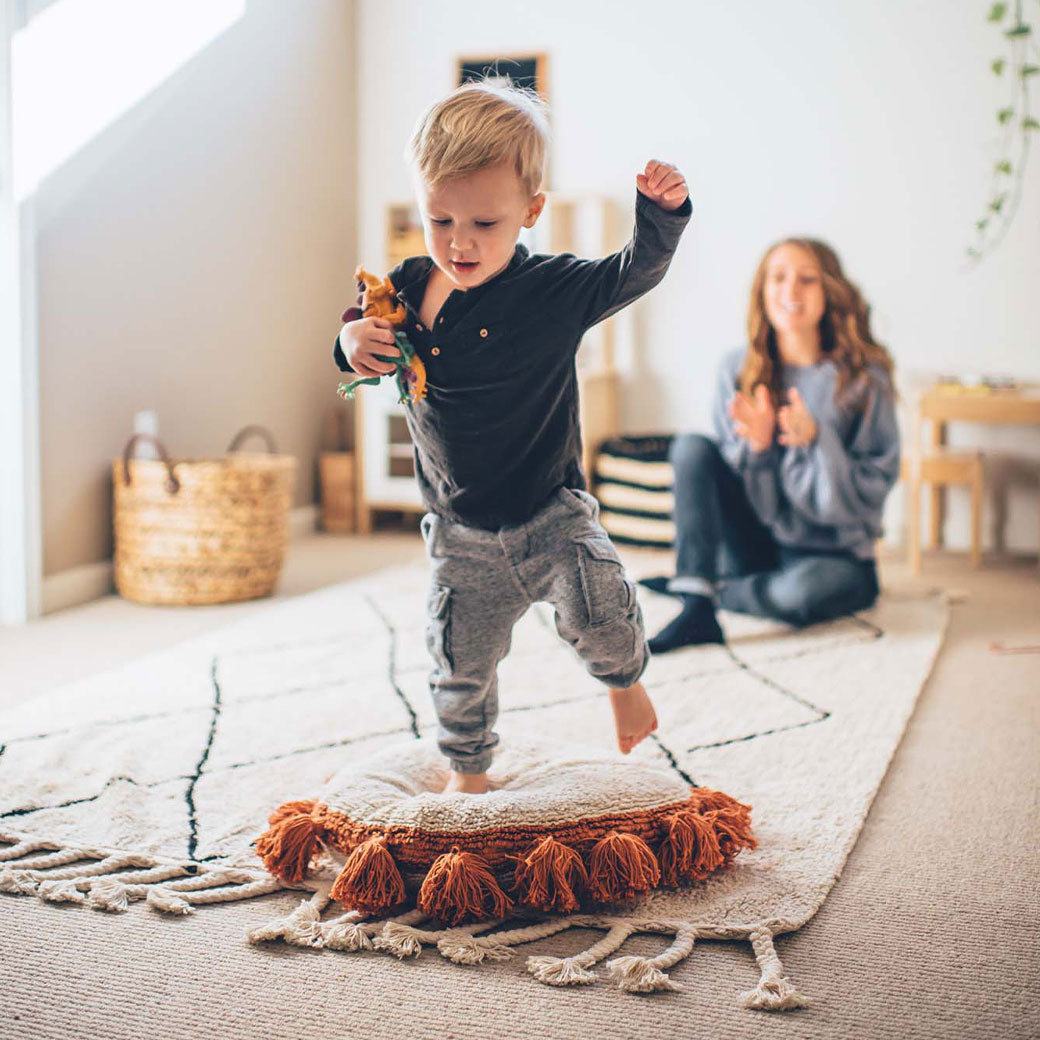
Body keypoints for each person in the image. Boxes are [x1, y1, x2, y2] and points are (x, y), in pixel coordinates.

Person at [334, 81, 692, 792]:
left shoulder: (553, 290)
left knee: (600, 611)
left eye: (485, 224)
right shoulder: (407, 287)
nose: (459, 243)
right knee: (457, 661)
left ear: (531, 211)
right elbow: (360, 333)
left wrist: (662, 215)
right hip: (461, 529)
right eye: (439, 219)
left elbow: (635, 271)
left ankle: (625, 686)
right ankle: (468, 773)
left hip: (550, 511)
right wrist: (350, 343)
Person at [644, 238, 899, 653]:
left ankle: (709, 590)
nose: (790, 291)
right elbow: (737, 491)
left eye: (807, 280)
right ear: (762, 292)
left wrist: (818, 441)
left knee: (798, 596)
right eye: (778, 279)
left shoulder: (865, 378)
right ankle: (696, 604)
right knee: (691, 446)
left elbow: (872, 489)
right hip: (757, 545)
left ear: (829, 290)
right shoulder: (737, 369)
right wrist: (759, 449)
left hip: (834, 556)